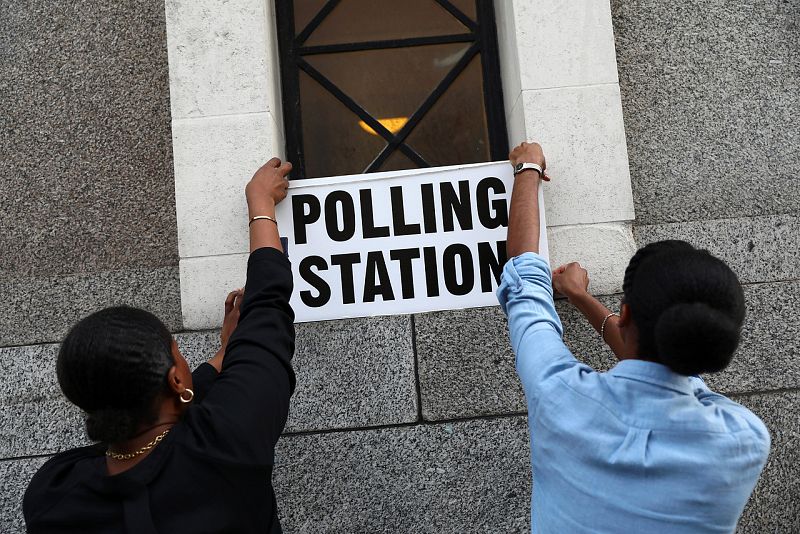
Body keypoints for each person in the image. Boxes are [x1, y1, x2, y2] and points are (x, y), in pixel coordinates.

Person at [498, 142, 770, 533]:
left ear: (624, 313)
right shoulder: (744, 438)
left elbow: (524, 278)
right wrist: (582, 298)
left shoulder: (558, 395)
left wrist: (528, 166)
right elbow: (670, 357)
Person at [24, 158, 295, 533]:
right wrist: (260, 204)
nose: (185, 363)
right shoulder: (226, 443)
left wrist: (221, 358)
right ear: (175, 381)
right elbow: (267, 308)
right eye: (179, 354)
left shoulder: (55, 491)